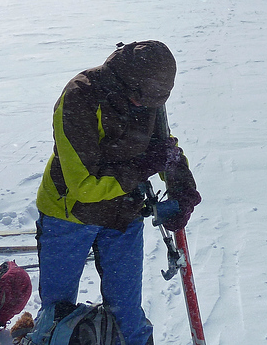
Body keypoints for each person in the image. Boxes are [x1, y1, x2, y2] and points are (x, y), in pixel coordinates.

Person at [32, 40, 201, 345]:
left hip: (123, 213)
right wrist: (143, 168)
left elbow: (162, 144)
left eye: (150, 102)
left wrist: (181, 182)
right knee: (57, 314)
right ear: (124, 79)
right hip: (68, 215)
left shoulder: (147, 98)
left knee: (127, 315)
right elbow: (83, 185)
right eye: (138, 97)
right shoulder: (80, 96)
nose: (141, 105)